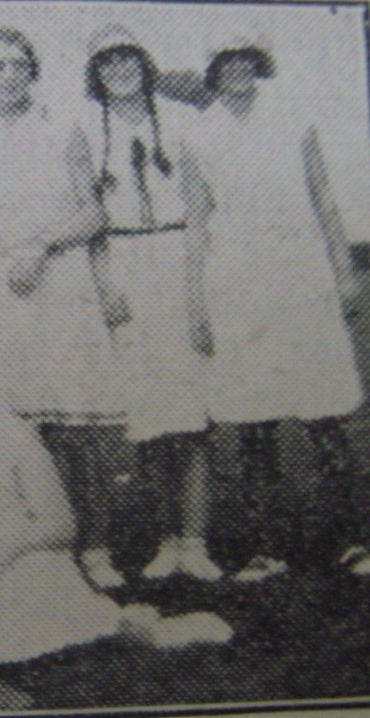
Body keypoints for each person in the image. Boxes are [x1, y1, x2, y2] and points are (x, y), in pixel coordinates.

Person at [0, 323, 233, 701]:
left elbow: (61, 525)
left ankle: (147, 629)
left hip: (25, 563)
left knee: (46, 637)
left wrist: (5, 547)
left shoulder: (9, 430)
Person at [195, 39, 369, 580]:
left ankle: (354, 540)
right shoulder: (198, 131)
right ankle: (263, 549)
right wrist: (197, 299)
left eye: (246, 59)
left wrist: (344, 273)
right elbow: (198, 220)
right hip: (238, 280)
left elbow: (325, 197)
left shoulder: (294, 117)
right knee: (253, 418)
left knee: (326, 411)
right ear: (215, 71)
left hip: (301, 271)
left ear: (258, 65)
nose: (237, 70)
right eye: (226, 63)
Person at [0, 27, 129, 589]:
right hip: (5, 287)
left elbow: (95, 213)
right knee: (23, 430)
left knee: (76, 426)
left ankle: (97, 548)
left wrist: (42, 246)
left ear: (32, 70)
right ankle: (45, 551)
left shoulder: (64, 128)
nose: (7, 74)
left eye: (17, 63)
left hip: (61, 282)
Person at [84, 26, 222, 582]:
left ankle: (197, 540)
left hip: (176, 258)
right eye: (106, 61)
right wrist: (104, 283)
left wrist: (196, 293)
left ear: (145, 63)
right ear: (95, 73)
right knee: (148, 417)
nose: (119, 69)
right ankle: (165, 537)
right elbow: (91, 212)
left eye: (127, 58)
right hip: (123, 260)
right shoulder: (89, 130)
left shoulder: (179, 119)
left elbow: (198, 210)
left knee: (191, 417)